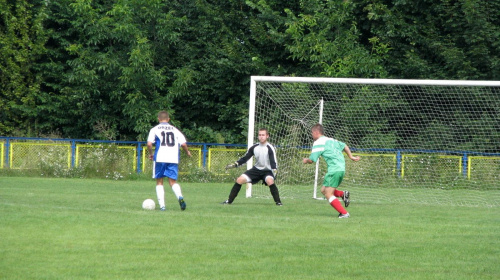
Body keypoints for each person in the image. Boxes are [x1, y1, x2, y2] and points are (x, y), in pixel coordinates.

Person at [302, 123, 360, 218]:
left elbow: (312, 160)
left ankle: (344, 213)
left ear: (316, 132)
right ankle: (342, 194)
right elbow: (344, 145)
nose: (311, 135)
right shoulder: (331, 140)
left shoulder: (318, 142)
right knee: (323, 190)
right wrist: (351, 156)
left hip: (334, 170)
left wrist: (305, 160)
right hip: (340, 168)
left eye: (312, 132)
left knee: (328, 194)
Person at [222, 128, 282, 206]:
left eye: (263, 135)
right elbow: (245, 158)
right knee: (239, 180)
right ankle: (229, 201)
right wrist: (235, 164)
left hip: (267, 171)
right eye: (259, 135)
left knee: (270, 181)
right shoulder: (254, 147)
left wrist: (274, 172)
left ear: (267, 136)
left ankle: (278, 202)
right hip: (256, 170)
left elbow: (273, 162)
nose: (261, 137)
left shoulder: (270, 148)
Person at [147, 111, 192, 211]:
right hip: (173, 158)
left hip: (160, 158)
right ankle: (180, 197)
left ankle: (162, 206)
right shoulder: (175, 130)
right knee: (172, 182)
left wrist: (151, 154)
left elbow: (149, 144)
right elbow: (183, 144)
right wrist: (187, 152)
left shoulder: (154, 129)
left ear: (158, 119)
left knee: (159, 182)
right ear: (168, 119)